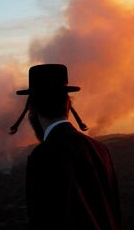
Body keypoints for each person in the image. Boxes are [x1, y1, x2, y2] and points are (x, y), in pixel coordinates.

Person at [9, 64, 122, 229]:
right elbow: (114, 213)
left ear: (31, 109)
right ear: (68, 105)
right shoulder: (100, 150)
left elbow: (42, 221)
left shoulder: (42, 157)